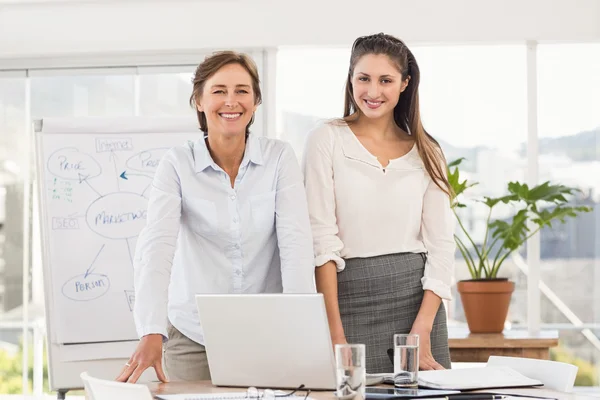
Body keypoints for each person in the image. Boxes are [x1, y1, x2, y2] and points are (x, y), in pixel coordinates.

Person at [116, 51, 315, 384]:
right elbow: (157, 247)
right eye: (219, 90)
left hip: (266, 331)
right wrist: (151, 330)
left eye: (242, 91)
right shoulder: (177, 164)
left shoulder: (279, 158)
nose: (231, 101)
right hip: (193, 334)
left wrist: (300, 327)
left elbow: (295, 243)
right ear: (198, 100)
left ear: (255, 101)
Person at [303, 33, 455, 373]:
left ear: (404, 83)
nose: (373, 92)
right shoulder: (325, 138)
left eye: (385, 80)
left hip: (416, 307)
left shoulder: (427, 151)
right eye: (363, 79)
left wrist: (423, 328)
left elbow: (441, 246)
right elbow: (321, 242)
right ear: (350, 80)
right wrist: (334, 334)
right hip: (346, 301)